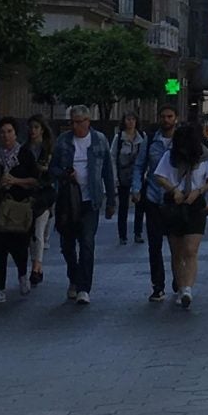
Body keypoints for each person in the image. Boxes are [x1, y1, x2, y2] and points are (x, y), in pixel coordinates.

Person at [47, 106, 115, 303]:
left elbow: (107, 172)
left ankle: (84, 287)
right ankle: (74, 277)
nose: (75, 125)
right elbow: (53, 168)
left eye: (79, 121)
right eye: (73, 122)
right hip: (68, 201)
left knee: (87, 243)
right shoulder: (63, 141)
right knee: (67, 245)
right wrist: (65, 174)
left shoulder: (99, 140)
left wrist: (111, 200)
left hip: (90, 201)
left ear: (88, 121)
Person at [152, 122, 208, 308]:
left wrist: (199, 190)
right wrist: (173, 190)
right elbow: (158, 176)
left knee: (191, 249)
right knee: (176, 251)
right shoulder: (169, 156)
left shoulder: (205, 156)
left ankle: (187, 289)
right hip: (175, 203)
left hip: (195, 203)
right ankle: (181, 287)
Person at [0, 118, 41, 304]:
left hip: (20, 209)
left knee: (20, 246)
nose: (6, 136)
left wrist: (15, 181)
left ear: (15, 133)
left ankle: (23, 274)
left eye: (9, 131)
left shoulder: (25, 155)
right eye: (3, 132)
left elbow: (35, 180)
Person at [134, 103, 180, 301]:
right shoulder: (151, 140)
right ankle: (158, 285)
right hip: (153, 198)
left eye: (170, 116)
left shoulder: (181, 140)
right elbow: (139, 165)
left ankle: (179, 281)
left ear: (176, 118)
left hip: (176, 199)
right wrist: (136, 188)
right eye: (163, 116)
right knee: (154, 245)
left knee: (176, 245)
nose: (166, 120)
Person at [22, 115, 56, 293]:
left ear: (42, 129)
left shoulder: (49, 149)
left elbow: (54, 172)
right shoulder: (25, 149)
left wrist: (46, 171)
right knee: (30, 234)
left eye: (36, 127)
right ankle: (36, 265)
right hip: (29, 194)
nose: (33, 131)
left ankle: (36, 267)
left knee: (38, 231)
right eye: (31, 127)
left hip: (44, 194)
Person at [111, 115, 146, 245]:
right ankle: (122, 235)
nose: (130, 122)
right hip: (123, 173)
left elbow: (145, 156)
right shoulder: (119, 137)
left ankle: (138, 233)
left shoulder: (142, 136)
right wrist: (115, 177)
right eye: (128, 119)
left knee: (139, 205)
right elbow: (112, 156)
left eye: (133, 119)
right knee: (123, 205)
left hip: (138, 173)